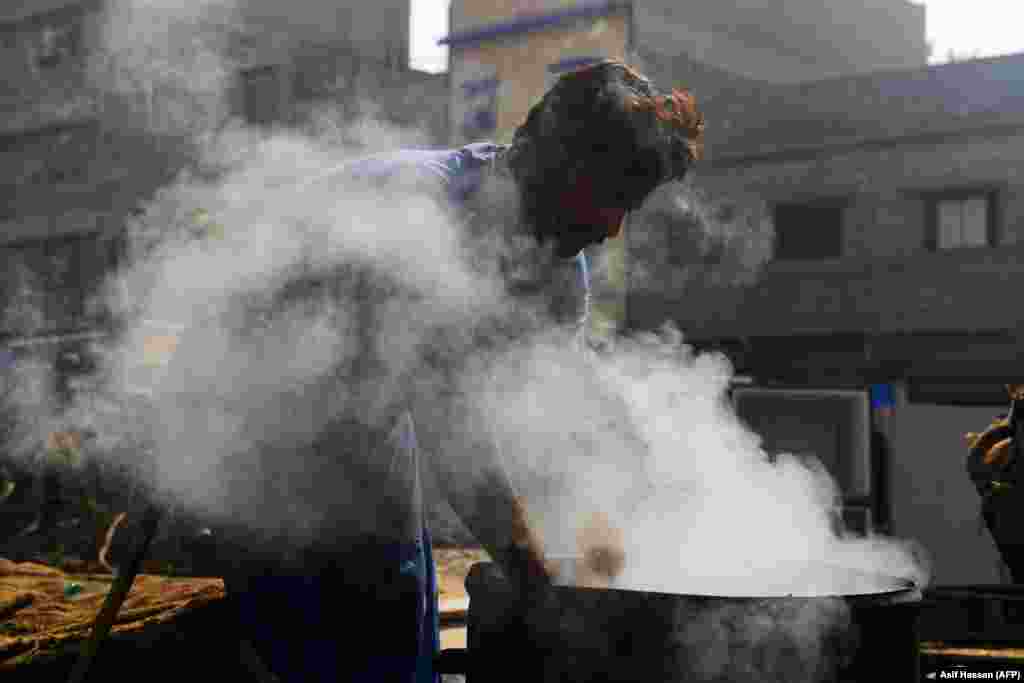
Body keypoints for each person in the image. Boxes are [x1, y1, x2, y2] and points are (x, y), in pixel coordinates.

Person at [206, 59, 704, 682]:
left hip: (377, 435)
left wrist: (613, 513)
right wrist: (549, 592)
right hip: (264, 446)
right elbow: (458, 444)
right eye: (609, 198)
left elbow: (560, 409)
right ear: (554, 160)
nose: (611, 228)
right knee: (318, 658)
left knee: (398, 651)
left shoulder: (556, 265)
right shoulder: (418, 212)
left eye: (628, 206)